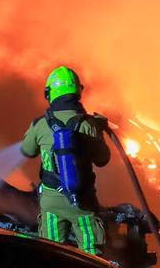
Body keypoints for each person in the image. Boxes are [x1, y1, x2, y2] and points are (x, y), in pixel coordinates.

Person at [20, 66, 111, 256]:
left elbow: (26, 151)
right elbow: (103, 159)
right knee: (92, 256)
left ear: (50, 93)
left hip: (52, 202)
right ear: (78, 91)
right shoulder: (89, 124)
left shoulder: (40, 124)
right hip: (83, 203)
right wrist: (99, 130)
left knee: (51, 254)